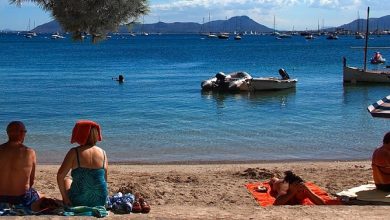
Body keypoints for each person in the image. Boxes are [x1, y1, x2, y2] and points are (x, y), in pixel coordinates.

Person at [57, 120, 108, 207]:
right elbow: (104, 179)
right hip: (100, 201)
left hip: (78, 201)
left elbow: (60, 175)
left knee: (67, 180)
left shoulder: (74, 152)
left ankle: (67, 199)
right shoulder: (103, 153)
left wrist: (65, 199)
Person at [0, 121, 40, 209]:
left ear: (7, 133)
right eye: (25, 131)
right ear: (22, 133)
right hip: (20, 198)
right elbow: (31, 181)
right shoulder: (29, 152)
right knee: (37, 194)